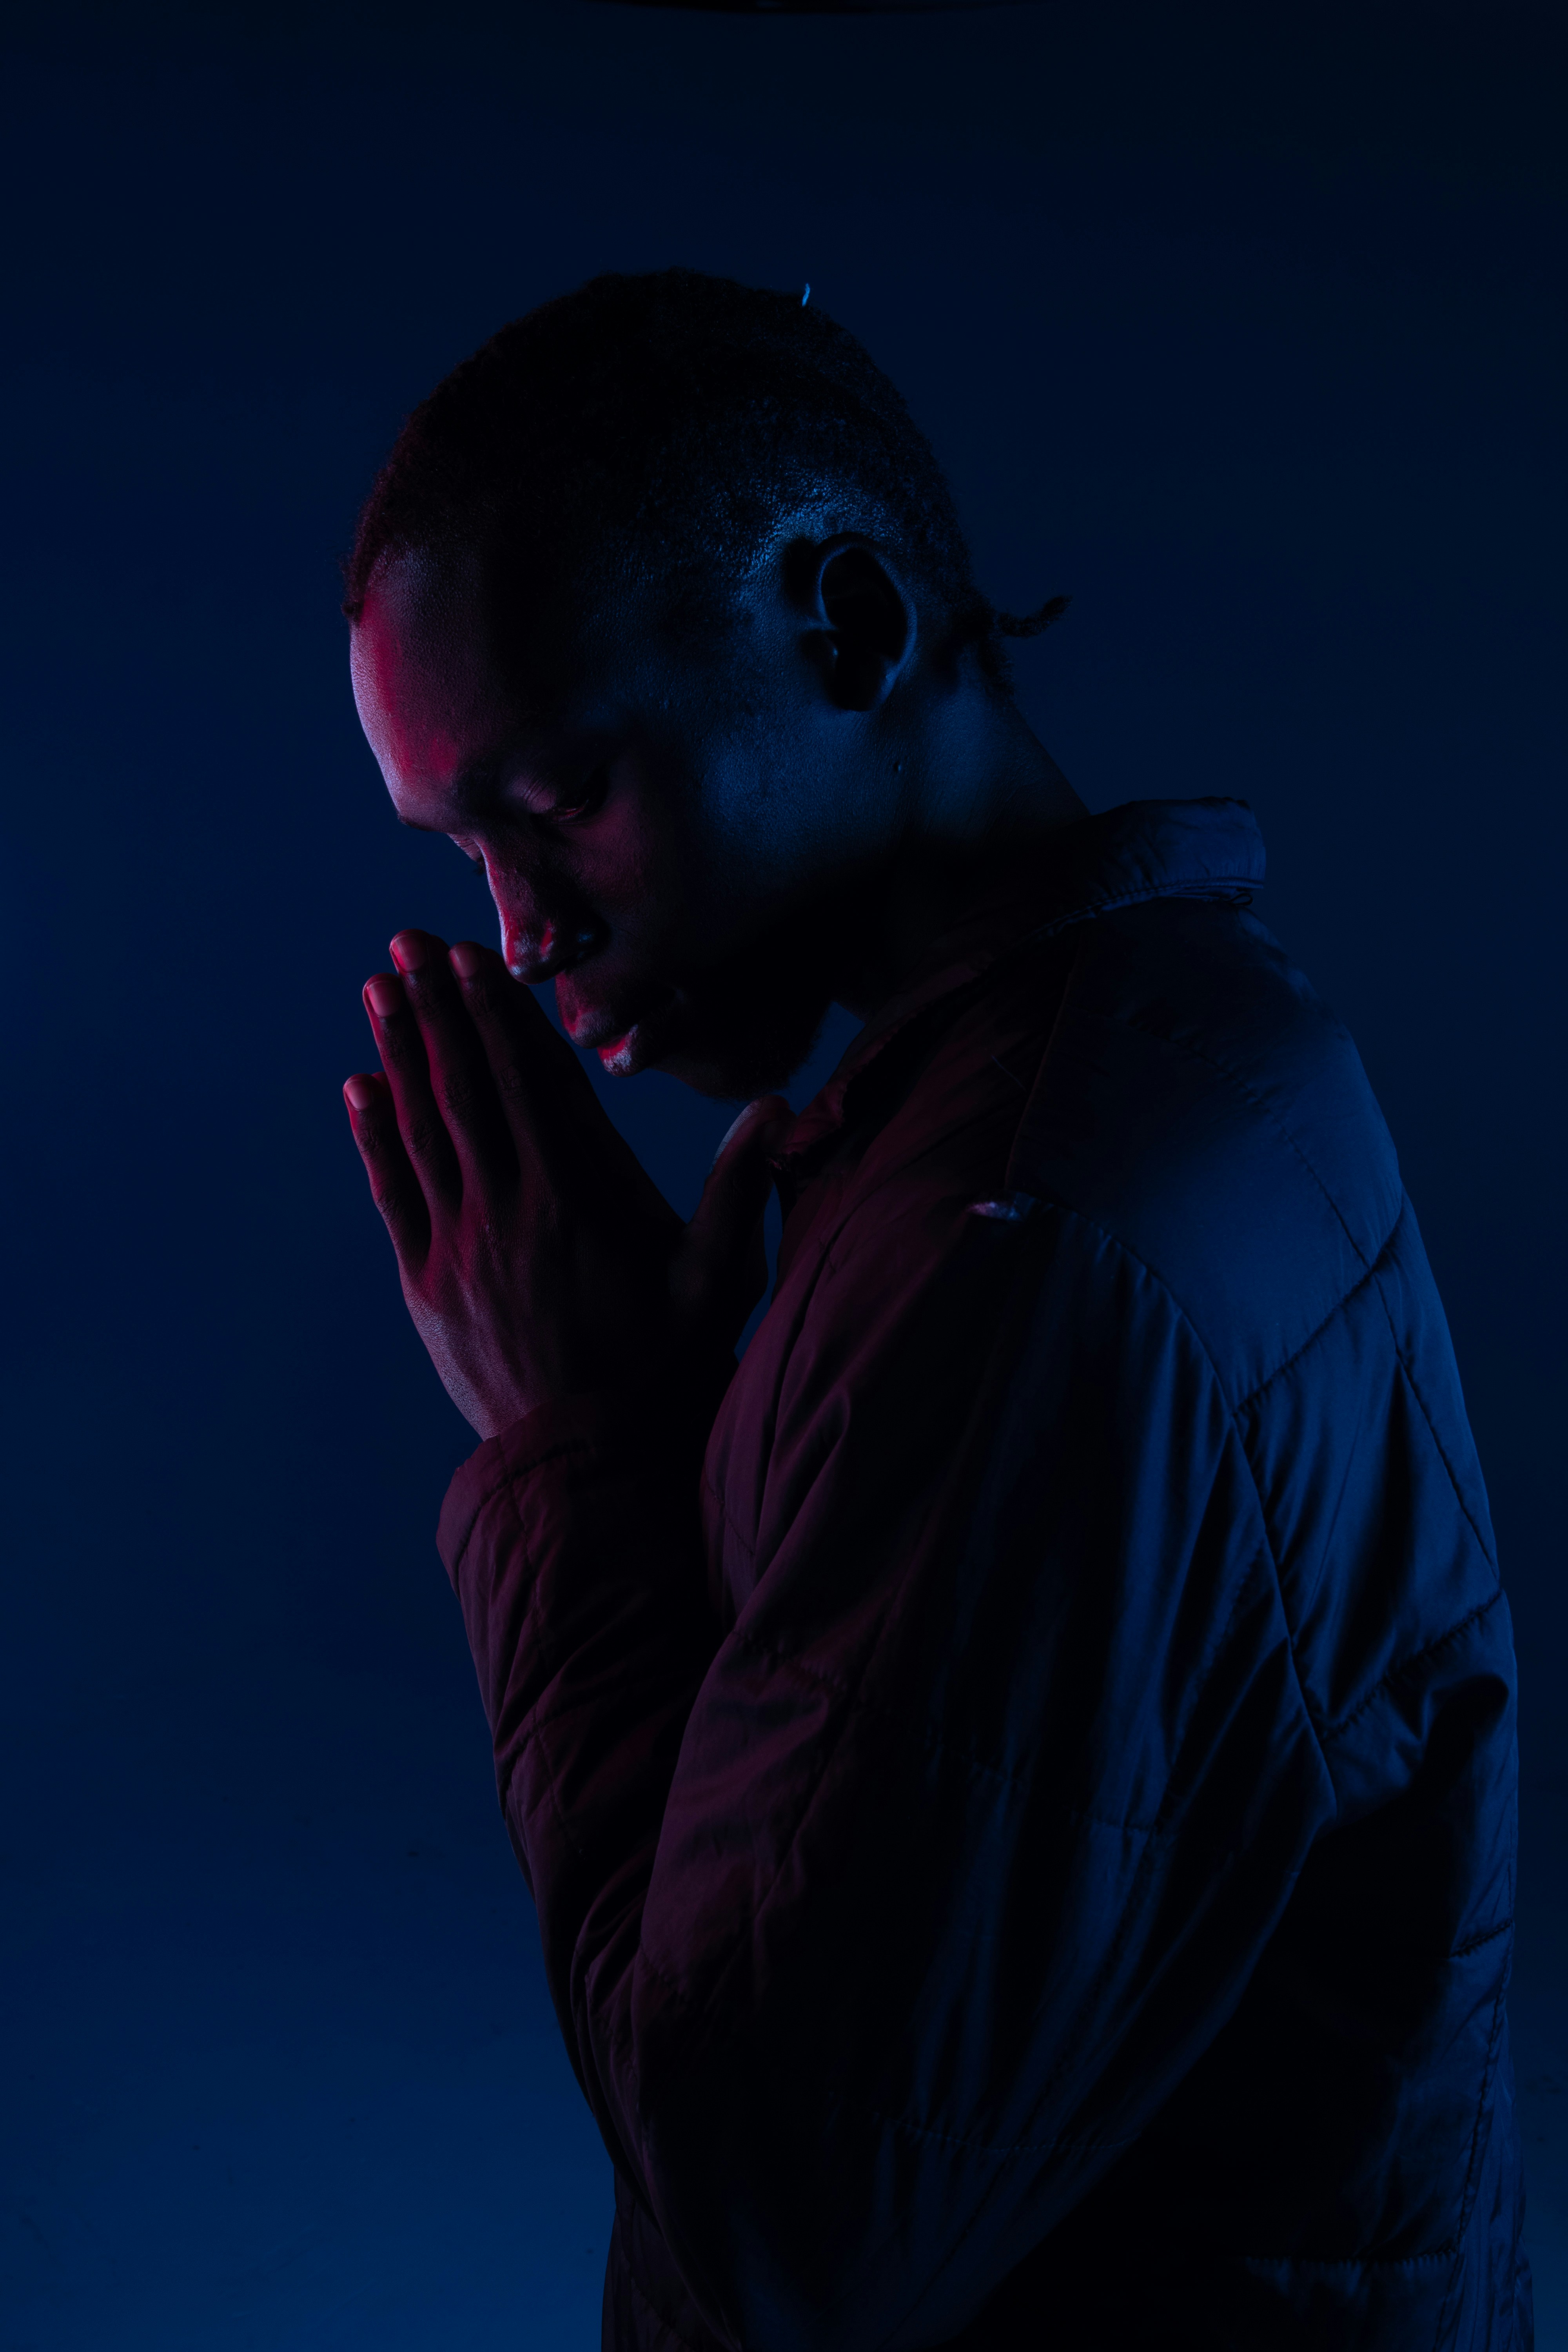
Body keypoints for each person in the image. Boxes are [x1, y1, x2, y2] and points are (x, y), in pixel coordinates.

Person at [339, 270, 1529, 2351]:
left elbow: (787, 2228)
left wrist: (577, 1471)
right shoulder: (1124, 1087)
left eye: (562, 801)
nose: (523, 941)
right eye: (469, 852)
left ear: (852, 625)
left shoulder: (1038, 1231)